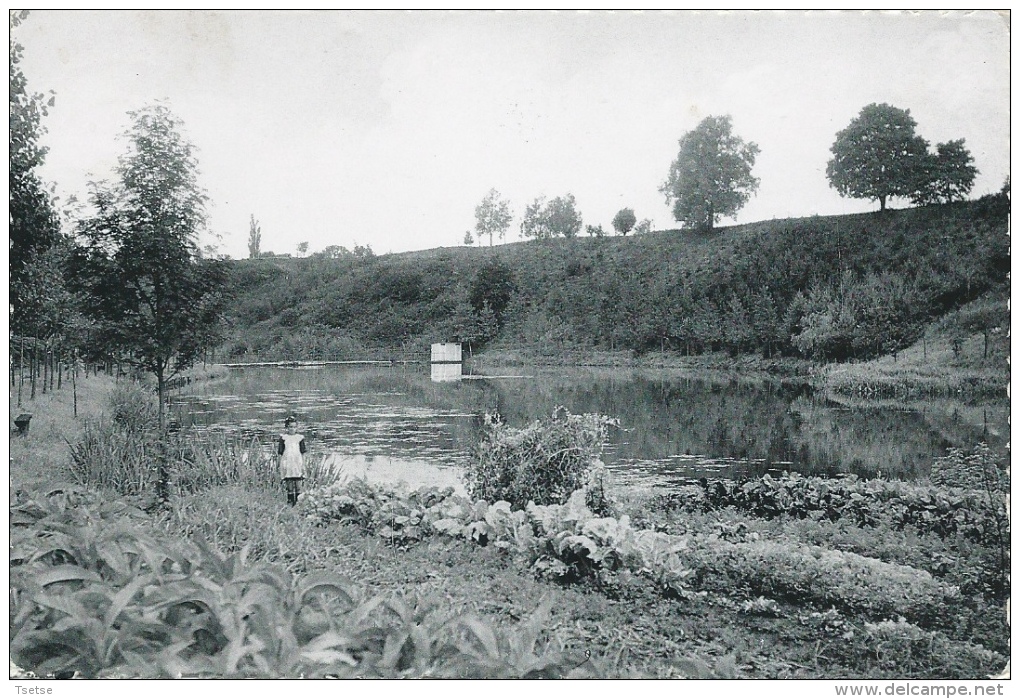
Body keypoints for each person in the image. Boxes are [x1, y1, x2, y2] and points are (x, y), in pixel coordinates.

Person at [277, 415, 306, 505]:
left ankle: (298, 504)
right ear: (287, 427)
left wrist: (303, 465)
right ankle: (290, 503)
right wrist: (281, 465)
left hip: (297, 463)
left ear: (296, 427)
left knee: (298, 485)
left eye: (294, 427)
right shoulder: (283, 438)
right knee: (289, 485)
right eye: (290, 427)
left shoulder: (300, 438)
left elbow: (303, 452)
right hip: (287, 463)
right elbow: (280, 453)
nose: (292, 429)